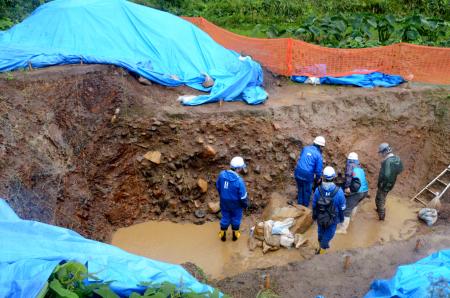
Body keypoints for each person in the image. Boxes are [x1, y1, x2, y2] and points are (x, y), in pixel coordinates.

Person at [312, 166, 346, 254]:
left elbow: (314, 205)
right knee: (328, 236)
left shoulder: (317, 190)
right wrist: (341, 219)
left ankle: (320, 247)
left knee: (320, 233)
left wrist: (314, 217)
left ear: (323, 177)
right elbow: (342, 208)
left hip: (320, 218)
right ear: (334, 177)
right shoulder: (339, 191)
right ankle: (322, 251)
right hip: (333, 220)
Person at [216, 156, 248, 242]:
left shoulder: (222, 174)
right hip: (236, 204)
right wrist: (245, 205)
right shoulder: (239, 181)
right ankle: (235, 235)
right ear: (238, 169)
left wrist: (222, 195)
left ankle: (223, 234)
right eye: (241, 168)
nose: (242, 169)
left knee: (225, 216)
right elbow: (243, 196)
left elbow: (218, 186)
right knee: (236, 218)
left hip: (224, 202)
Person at [336, 152, 369, 234]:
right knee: (354, 204)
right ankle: (352, 219)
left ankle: (343, 229)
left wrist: (347, 187)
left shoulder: (350, 165)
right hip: (365, 191)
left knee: (347, 209)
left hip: (358, 192)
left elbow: (349, 176)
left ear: (349, 159)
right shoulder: (359, 167)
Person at [294, 136, 325, 207]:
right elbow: (318, 170)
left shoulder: (305, 148)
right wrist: (318, 179)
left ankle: (299, 205)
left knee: (300, 189)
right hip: (307, 175)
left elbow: (301, 159)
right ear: (320, 146)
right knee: (307, 192)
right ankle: (304, 209)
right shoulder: (318, 155)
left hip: (298, 171)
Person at [376, 143, 403, 220]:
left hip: (384, 184)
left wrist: (382, 183)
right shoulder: (397, 158)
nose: (380, 154)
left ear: (385, 152)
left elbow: (386, 175)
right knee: (382, 197)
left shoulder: (387, 161)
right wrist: (393, 175)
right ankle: (379, 210)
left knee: (380, 199)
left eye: (381, 152)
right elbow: (400, 170)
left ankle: (381, 217)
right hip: (391, 183)